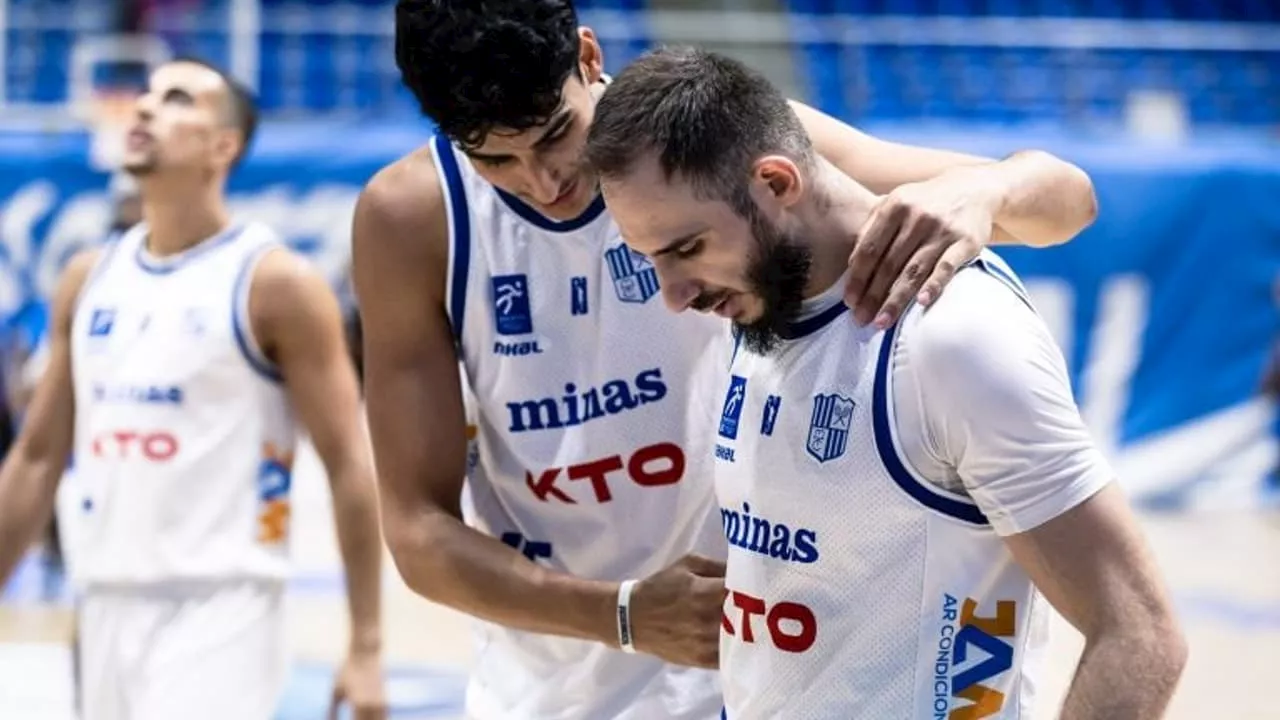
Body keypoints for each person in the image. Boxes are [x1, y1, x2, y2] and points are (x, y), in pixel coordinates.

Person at [356, 2, 1099, 718]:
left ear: (588, 56)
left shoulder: (713, 140)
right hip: (555, 681)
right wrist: (622, 615)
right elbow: (419, 533)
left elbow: (1069, 201)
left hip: (765, 667)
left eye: (556, 133)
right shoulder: (413, 220)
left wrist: (986, 188)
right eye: (496, 159)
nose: (544, 181)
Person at [584, 46, 1187, 720]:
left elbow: (1139, 634)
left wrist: (989, 188)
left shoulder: (952, 335)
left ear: (778, 184)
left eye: (686, 249)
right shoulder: (763, 292)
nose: (672, 295)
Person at [0, 57, 387, 720]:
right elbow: (37, 458)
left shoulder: (278, 284)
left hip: (223, 609)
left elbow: (350, 465)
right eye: (145, 96)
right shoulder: (86, 278)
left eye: (176, 99)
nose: (147, 108)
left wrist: (367, 644)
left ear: (223, 146)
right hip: (102, 602)